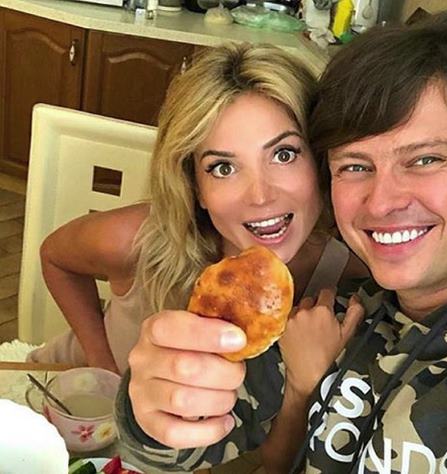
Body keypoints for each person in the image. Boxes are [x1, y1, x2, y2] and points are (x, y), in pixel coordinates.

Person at [115, 9, 447, 474]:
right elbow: (176, 450)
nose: (381, 203)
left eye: (425, 159)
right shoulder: (335, 320)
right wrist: (151, 409)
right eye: (356, 166)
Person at [27, 42, 367, 376]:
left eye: (284, 154)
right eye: (223, 168)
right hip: (57, 387)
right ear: (195, 187)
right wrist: (102, 365)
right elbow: (55, 258)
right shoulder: (138, 240)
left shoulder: (355, 280)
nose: (261, 196)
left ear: (321, 160)